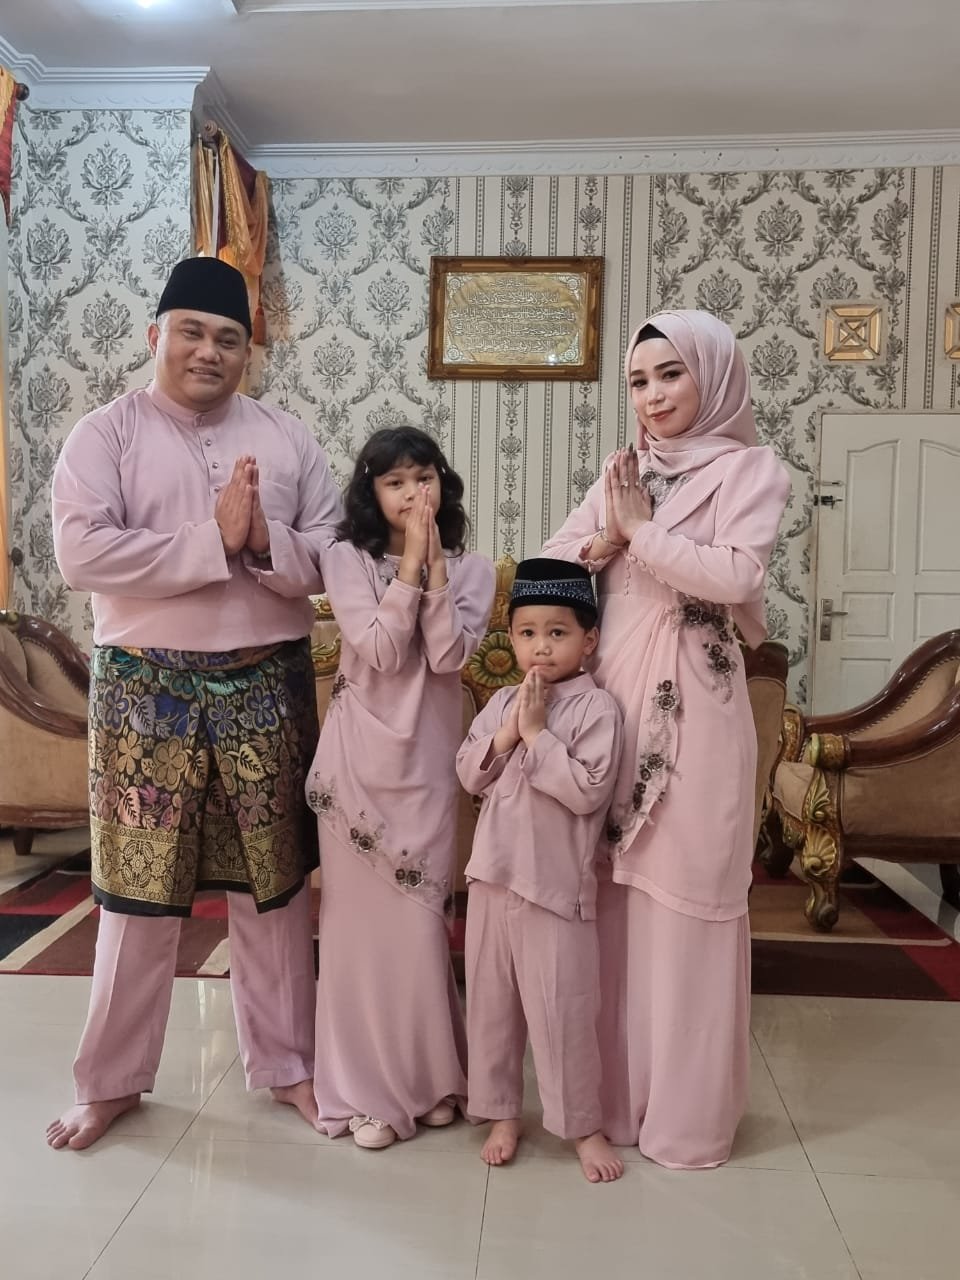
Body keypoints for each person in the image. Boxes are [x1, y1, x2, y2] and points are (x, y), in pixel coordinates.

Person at [46, 256, 343, 1151]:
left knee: (275, 888)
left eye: (228, 339)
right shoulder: (105, 434)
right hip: (147, 690)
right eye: (191, 333)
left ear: (249, 353)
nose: (208, 352)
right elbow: (82, 554)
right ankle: (110, 1082)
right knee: (136, 893)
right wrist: (208, 540)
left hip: (266, 682)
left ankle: (290, 1067)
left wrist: (265, 540)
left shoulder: (287, 438)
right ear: (156, 336)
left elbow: (332, 553)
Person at [542, 309, 790, 1169]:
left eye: (671, 374)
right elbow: (552, 564)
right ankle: (613, 1105)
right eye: (639, 381)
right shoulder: (624, 471)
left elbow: (735, 574)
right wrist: (610, 531)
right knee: (612, 897)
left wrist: (640, 533)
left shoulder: (752, 469)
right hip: (612, 699)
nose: (652, 396)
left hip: (698, 708)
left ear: (713, 376)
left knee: (687, 894)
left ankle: (687, 1121)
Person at [307, 425, 495, 1149]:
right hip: (359, 766)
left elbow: (446, 657)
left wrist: (435, 567)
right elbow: (383, 651)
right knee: (358, 938)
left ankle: (430, 1081)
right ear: (372, 493)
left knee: (420, 930)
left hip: (427, 765)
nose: (413, 493)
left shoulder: (473, 570)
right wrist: (411, 566)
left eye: (424, 478)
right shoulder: (345, 559)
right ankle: (366, 1092)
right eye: (395, 482)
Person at [456, 558, 625, 1184]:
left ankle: (582, 1125)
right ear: (511, 637)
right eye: (527, 633)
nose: (541, 647)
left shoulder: (597, 708)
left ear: (589, 640)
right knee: (491, 1007)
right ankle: (501, 1113)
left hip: (555, 889)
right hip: (492, 877)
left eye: (558, 632)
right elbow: (468, 773)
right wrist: (507, 735)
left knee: (563, 1012)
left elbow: (587, 790)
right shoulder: (502, 702)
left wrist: (536, 735)